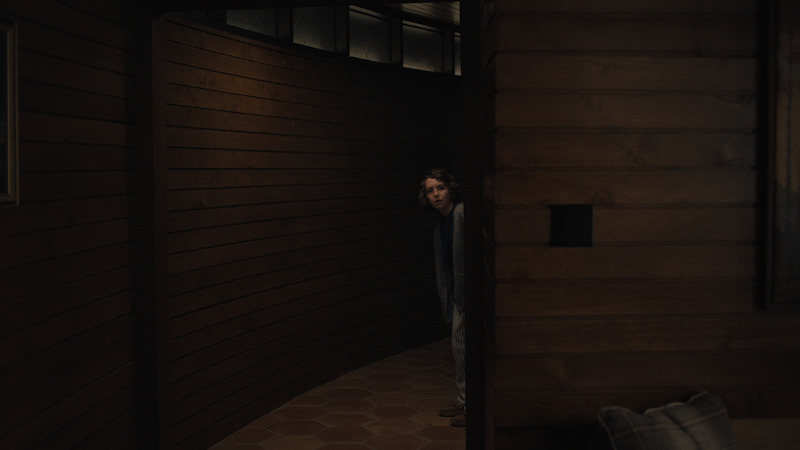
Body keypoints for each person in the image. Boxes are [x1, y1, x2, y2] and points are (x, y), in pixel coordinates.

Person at [418, 168, 466, 428]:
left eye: (440, 188)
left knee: (465, 347)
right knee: (458, 348)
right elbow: (445, 267)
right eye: (430, 190)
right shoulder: (441, 226)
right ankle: (463, 399)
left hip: (469, 295)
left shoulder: (461, 214)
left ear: (451, 189)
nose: (435, 194)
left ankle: (470, 403)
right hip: (458, 295)